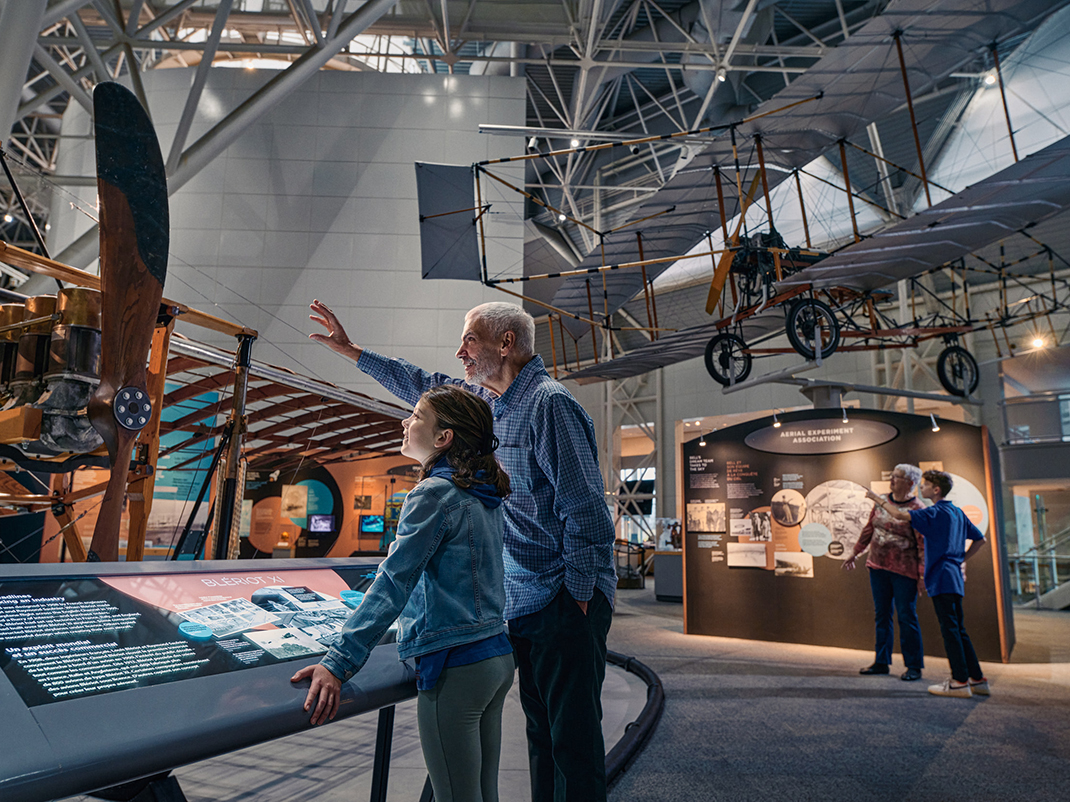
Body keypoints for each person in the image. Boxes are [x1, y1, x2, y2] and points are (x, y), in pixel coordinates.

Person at [309, 299, 617, 802]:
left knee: (574, 742)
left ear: (506, 342)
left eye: (469, 340)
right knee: (541, 737)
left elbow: (584, 510)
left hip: (565, 598)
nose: (460, 353)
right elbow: (422, 385)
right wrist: (352, 352)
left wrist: (579, 597)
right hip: (524, 601)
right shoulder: (486, 402)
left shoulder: (548, 404)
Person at [291, 385, 515, 802]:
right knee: (483, 793)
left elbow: (394, 581)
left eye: (415, 416)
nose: (404, 422)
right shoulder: (483, 495)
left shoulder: (434, 494)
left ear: (443, 437)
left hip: (456, 663)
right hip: (494, 656)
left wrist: (337, 663)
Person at [867, 469, 988, 698]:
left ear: (936, 489)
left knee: (950, 631)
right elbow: (980, 540)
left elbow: (900, 515)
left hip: (941, 578)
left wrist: (876, 499)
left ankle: (959, 682)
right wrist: (961, 558)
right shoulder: (957, 512)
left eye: (924, 485)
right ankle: (977, 679)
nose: (920, 489)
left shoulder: (934, 513)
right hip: (954, 577)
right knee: (958, 629)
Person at [845, 464, 926, 681]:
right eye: (892, 476)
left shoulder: (917, 509)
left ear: (910, 483)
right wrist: (855, 552)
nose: (892, 480)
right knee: (882, 615)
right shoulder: (882, 502)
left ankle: (914, 665)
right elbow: (869, 529)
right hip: (877, 567)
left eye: (897, 477)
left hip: (903, 571)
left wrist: (921, 576)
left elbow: (922, 544)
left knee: (907, 617)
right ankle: (881, 661)